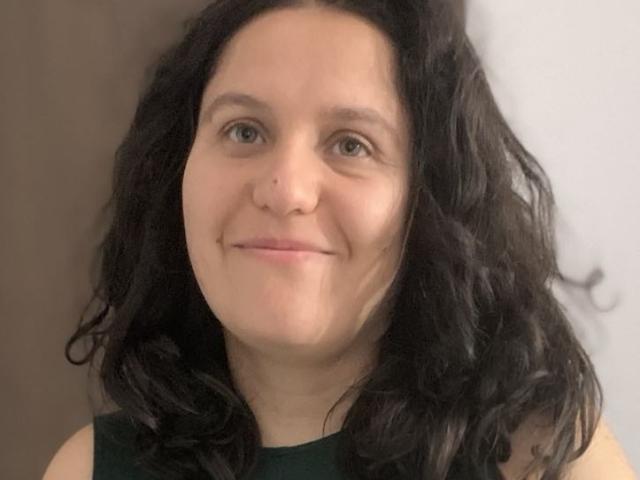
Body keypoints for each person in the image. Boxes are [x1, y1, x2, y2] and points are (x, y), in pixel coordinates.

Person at [43, 1, 637, 479]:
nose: (286, 190)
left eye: (351, 144)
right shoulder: (88, 470)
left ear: (430, 203)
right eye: (244, 131)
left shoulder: (537, 458)